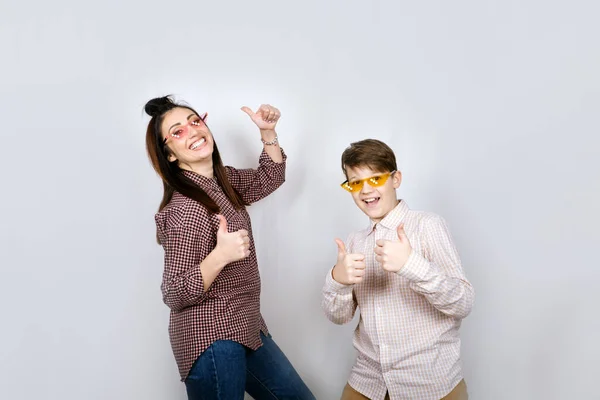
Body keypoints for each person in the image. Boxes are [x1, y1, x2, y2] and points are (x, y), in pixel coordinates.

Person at [144, 95, 315, 400]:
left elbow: (270, 177)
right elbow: (173, 292)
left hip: (244, 324)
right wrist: (220, 256)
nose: (193, 131)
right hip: (211, 338)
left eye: (195, 121)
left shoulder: (221, 181)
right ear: (169, 154)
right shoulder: (186, 209)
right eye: (178, 131)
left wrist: (267, 133)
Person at [321, 139, 474, 400]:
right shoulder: (356, 241)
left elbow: (463, 303)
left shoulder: (428, 225)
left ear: (396, 179)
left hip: (428, 384)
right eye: (356, 182)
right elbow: (339, 317)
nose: (366, 190)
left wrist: (411, 266)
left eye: (376, 178)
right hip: (367, 381)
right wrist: (338, 281)